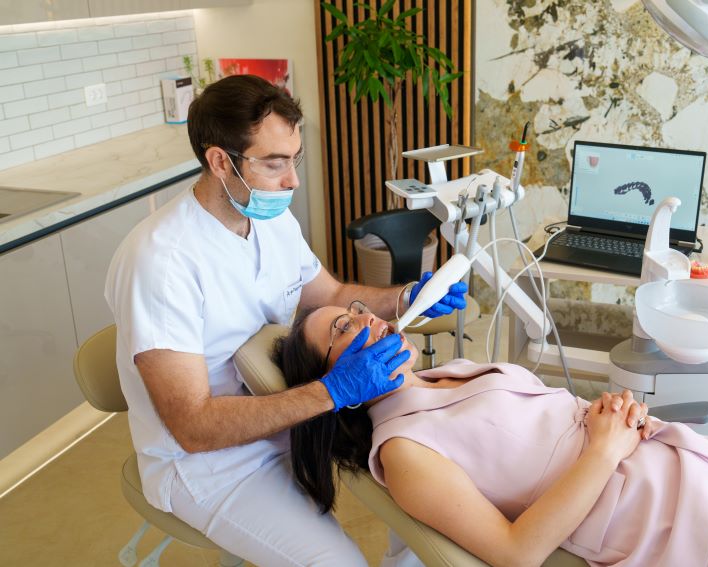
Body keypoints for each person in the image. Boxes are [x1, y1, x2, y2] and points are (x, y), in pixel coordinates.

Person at [104, 74, 466, 566]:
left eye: (295, 159)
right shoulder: (162, 262)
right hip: (212, 462)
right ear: (220, 161)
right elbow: (193, 427)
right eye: (274, 163)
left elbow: (331, 295)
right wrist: (333, 391)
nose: (292, 180)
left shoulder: (271, 220)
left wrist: (404, 298)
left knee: (444, 492)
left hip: (292, 410)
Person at [275, 303, 708, 567]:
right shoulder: (404, 451)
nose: (369, 318)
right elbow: (515, 553)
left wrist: (610, 413)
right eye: (344, 327)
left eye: (357, 309)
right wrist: (603, 448)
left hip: (693, 453)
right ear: (332, 381)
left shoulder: (442, 372)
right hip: (670, 517)